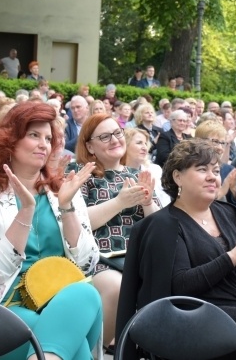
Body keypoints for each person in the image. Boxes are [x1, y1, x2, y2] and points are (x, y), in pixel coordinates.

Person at [116, 139, 236, 360]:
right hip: (193, 318)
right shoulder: (164, 225)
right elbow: (180, 286)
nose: (212, 176)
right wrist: (234, 256)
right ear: (178, 177)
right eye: (202, 169)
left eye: (215, 170)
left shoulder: (230, 213)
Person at [0, 102, 102, 360]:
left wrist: (67, 206)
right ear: (10, 141)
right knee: (66, 342)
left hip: (65, 301)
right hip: (3, 306)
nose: (43, 144)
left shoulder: (64, 190)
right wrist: (25, 211)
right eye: (34, 135)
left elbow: (86, 264)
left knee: (84, 292)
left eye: (48, 138)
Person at [68, 114, 159, 351]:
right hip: (98, 257)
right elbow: (76, 221)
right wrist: (119, 202)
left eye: (117, 133)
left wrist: (147, 201)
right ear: (89, 146)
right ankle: (90, 352)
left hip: (138, 259)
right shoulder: (80, 174)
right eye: (104, 136)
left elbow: (160, 226)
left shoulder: (136, 174)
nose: (114, 140)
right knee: (117, 287)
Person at [123, 127, 167, 205]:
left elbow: (165, 200)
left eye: (146, 144)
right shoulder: (116, 172)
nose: (144, 148)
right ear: (125, 146)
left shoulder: (155, 169)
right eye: (139, 143)